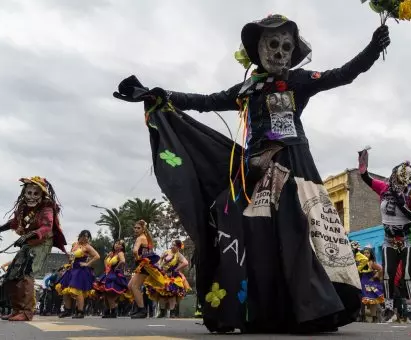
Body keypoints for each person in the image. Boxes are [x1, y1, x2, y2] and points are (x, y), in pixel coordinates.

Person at [113, 13, 391, 334]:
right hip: (255, 167)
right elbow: (205, 101)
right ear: (258, 48)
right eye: (273, 44)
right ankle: (256, 309)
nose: (280, 52)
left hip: (292, 163)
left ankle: (310, 307)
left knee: (294, 230)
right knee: (250, 232)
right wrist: (159, 95)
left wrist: (373, 48)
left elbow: (343, 73)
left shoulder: (299, 81)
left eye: (286, 46)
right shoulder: (246, 89)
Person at [357, 149, 411, 324]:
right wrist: (362, 163)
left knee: (407, 275)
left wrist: (402, 203)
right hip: (388, 239)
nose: (404, 185)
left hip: (407, 238)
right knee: (388, 275)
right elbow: (366, 178)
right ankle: (389, 310)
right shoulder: (384, 188)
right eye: (401, 181)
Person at [0, 176, 67, 321]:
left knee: (27, 273)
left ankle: (27, 312)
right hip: (28, 243)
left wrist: (29, 235)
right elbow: (13, 222)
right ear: (24, 193)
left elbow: (46, 227)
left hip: (42, 243)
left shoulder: (47, 208)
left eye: (36, 194)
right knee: (11, 276)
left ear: (42, 194)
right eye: (29, 193)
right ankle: (17, 310)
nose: (32, 196)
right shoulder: (23, 208)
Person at [127, 220, 170, 319]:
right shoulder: (147, 238)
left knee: (135, 287)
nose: (136, 229)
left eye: (138, 228)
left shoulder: (140, 238)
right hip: (145, 265)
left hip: (144, 265)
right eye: (135, 228)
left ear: (143, 229)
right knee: (130, 286)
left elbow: (134, 251)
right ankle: (138, 307)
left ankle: (142, 310)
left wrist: (137, 257)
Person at [56, 230, 100, 319]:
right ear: (80, 236)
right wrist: (67, 265)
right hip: (72, 269)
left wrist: (87, 264)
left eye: (88, 236)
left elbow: (97, 256)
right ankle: (67, 310)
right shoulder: (74, 244)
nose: (86, 238)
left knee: (77, 291)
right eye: (84, 236)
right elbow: (71, 257)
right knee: (65, 289)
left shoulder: (87, 247)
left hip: (80, 270)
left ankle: (80, 311)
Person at [93, 240, 129, 318]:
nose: (117, 245)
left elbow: (123, 261)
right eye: (116, 243)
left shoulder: (120, 253)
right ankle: (108, 310)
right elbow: (106, 263)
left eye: (120, 244)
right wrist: (107, 257)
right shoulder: (112, 254)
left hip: (115, 275)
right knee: (106, 294)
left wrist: (117, 267)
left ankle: (113, 311)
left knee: (110, 294)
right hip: (108, 274)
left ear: (122, 247)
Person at [155, 240, 191, 318]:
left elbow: (186, 263)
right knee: (162, 294)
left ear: (178, 247)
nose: (172, 246)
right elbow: (159, 261)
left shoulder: (178, 255)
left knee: (172, 294)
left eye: (174, 245)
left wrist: (177, 269)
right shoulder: (166, 252)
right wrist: (159, 266)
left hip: (172, 277)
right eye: (172, 244)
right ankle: (162, 312)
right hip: (163, 276)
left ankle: (172, 313)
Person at [358, 245, 384, 323]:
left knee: (372, 301)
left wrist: (374, 277)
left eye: (368, 253)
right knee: (362, 300)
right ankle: (362, 316)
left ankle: (374, 317)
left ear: (371, 254)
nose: (366, 254)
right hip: (362, 283)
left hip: (370, 284)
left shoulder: (371, 263)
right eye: (364, 253)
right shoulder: (360, 262)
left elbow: (381, 270)